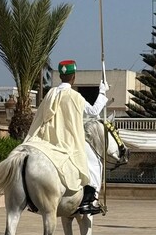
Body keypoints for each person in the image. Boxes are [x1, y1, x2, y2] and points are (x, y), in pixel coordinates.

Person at [23, 59, 109, 215]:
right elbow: (93, 111)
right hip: (69, 140)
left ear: (60, 77)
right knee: (94, 164)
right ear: (73, 77)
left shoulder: (50, 93)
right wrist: (102, 93)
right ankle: (88, 200)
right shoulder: (75, 97)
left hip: (48, 139)